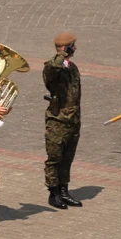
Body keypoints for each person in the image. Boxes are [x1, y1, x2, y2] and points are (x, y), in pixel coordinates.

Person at [44, 32, 83, 209]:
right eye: (72, 46)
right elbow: (52, 67)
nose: (75, 49)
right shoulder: (53, 67)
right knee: (55, 158)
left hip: (73, 120)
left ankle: (64, 190)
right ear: (66, 48)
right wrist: (61, 53)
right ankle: (54, 193)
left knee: (67, 158)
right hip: (57, 121)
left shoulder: (72, 67)